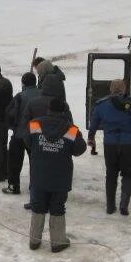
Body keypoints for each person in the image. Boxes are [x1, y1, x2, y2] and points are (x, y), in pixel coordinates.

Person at [27, 97, 87, 251]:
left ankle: (34, 240)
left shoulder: (35, 123)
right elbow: (79, 149)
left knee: (38, 205)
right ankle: (58, 241)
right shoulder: (71, 129)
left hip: (39, 174)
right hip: (60, 176)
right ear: (63, 111)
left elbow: (28, 142)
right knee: (57, 206)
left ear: (49, 109)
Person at [88, 79, 131, 215]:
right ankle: (124, 204)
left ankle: (110, 206)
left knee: (111, 174)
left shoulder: (102, 104)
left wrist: (91, 137)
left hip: (110, 144)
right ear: (124, 89)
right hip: (128, 144)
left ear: (110, 89)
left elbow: (94, 122)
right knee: (128, 174)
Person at [19, 71, 75, 210]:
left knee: (36, 172)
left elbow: (25, 125)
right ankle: (53, 201)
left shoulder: (33, 103)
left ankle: (35, 200)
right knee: (56, 172)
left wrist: (32, 145)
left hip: (37, 145)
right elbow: (70, 125)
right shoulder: (62, 104)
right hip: (60, 147)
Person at [3, 71, 40, 195]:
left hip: (20, 133)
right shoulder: (43, 95)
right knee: (35, 162)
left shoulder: (20, 96)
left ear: (23, 83)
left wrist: (12, 127)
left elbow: (10, 112)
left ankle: (14, 186)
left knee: (14, 161)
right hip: (36, 133)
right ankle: (34, 186)